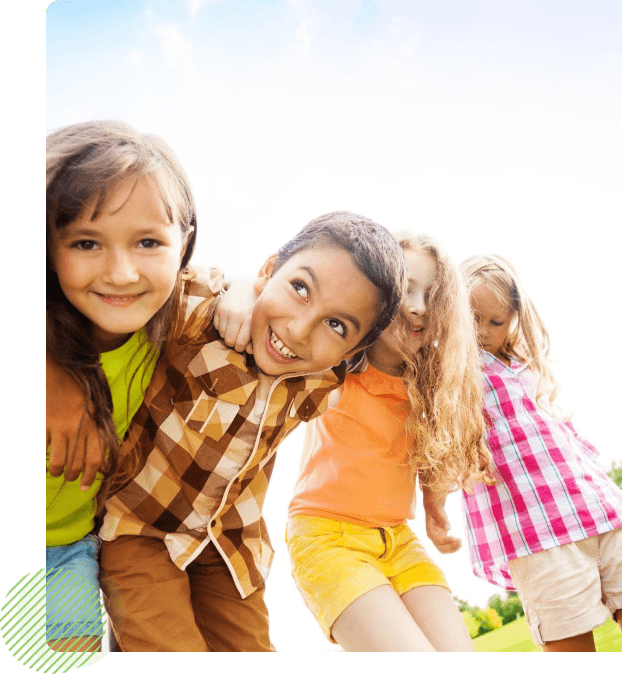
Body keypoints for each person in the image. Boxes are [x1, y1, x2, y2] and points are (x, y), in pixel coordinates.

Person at [92, 211, 407, 652]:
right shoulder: (203, 317)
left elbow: (406, 363)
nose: (298, 330)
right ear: (267, 271)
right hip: (141, 529)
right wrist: (237, 287)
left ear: (350, 351)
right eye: (300, 288)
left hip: (229, 544)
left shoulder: (319, 382)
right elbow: (175, 276)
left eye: (336, 325)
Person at [427, 254, 622, 652]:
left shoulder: (528, 364)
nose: (483, 332)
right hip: (537, 532)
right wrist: (435, 506)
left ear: (514, 317)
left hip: (601, 510)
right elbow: (438, 443)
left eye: (496, 321)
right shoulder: (452, 371)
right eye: (473, 318)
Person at [285, 232, 491, 651]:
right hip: (327, 538)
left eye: (432, 295)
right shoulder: (336, 368)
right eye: (406, 290)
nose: (418, 306)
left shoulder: (430, 387)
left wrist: (434, 510)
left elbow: (426, 453)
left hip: (397, 539)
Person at [46, 120, 197, 651]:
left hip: (65, 552)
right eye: (86, 242)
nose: (122, 272)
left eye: (149, 242)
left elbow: (241, 289)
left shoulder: (172, 327)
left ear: (186, 245)